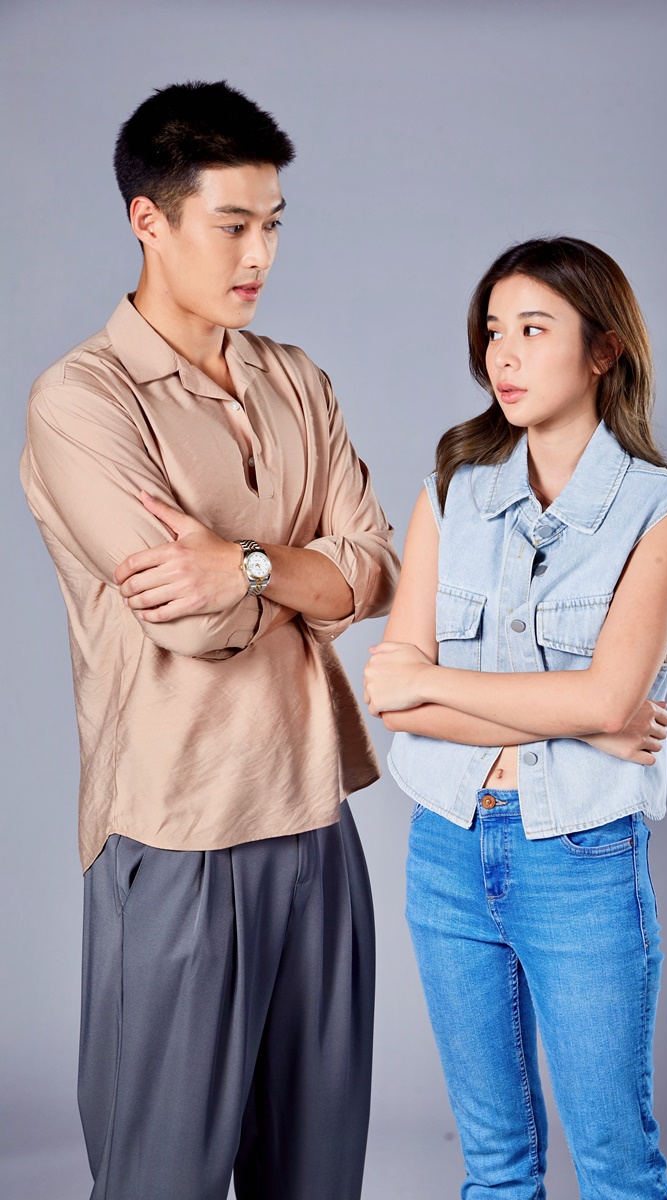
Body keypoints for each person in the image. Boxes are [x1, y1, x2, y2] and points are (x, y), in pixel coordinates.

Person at [21, 80, 399, 1200]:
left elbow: (378, 568)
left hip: (317, 814)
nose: (260, 254)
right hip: (177, 824)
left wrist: (242, 562)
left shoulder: (297, 379)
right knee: (161, 1178)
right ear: (149, 219)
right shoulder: (81, 400)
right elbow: (193, 618)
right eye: (232, 225)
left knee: (317, 1176)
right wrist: (302, 574)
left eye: (273, 223)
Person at [364, 237, 667, 1199]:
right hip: (447, 848)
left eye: (532, 329)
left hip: (582, 857)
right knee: (495, 1168)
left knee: (617, 1168)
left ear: (603, 350)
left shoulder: (663, 511)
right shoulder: (450, 492)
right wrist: (584, 720)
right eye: (492, 332)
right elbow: (392, 695)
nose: (502, 355)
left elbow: (604, 698)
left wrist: (450, 686)